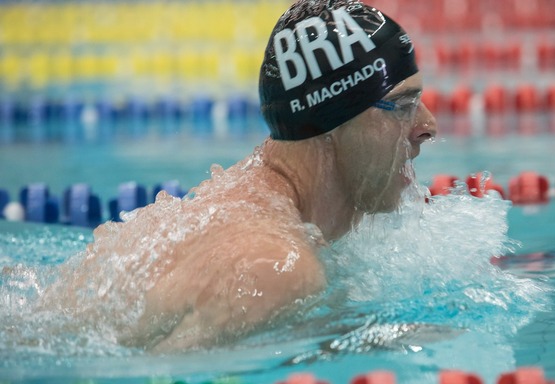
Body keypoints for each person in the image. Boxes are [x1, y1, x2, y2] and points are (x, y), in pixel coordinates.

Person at [43, 0, 437, 352]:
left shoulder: (252, 206)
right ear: (331, 120)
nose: (427, 126)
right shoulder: (278, 267)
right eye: (402, 105)